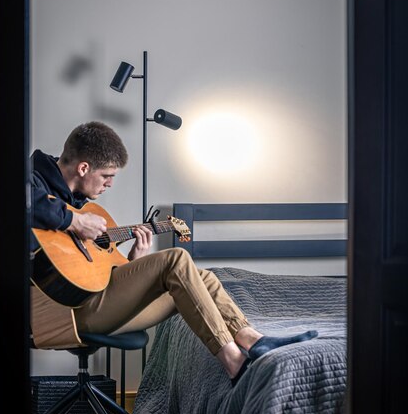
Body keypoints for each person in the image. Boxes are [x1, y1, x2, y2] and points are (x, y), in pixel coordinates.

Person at [31, 121, 317, 386]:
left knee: (202, 277)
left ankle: (250, 338)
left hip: (92, 301)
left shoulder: (80, 204)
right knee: (176, 259)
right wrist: (76, 221)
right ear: (83, 168)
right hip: (63, 315)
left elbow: (93, 275)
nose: (110, 184)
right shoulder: (33, 181)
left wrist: (134, 261)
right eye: (106, 175)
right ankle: (232, 360)